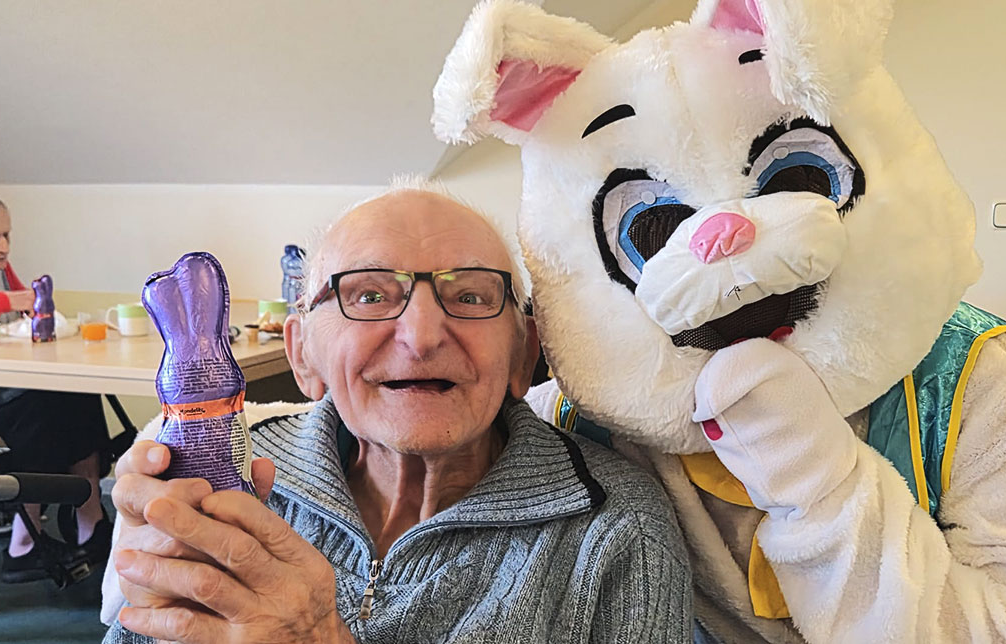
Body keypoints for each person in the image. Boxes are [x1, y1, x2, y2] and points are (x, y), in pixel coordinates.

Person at [102, 180, 693, 643]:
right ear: (301, 355)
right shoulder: (225, 477)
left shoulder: (615, 527)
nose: (422, 333)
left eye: (469, 296)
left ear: (523, 355)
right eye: (367, 294)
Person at [0, 187, 112, 582]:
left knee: (77, 391)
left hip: (7, 378)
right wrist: (8, 300)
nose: (2, 247)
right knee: (38, 409)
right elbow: (13, 300)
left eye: (7, 236)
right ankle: (24, 540)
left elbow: (27, 304)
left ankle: (91, 517)